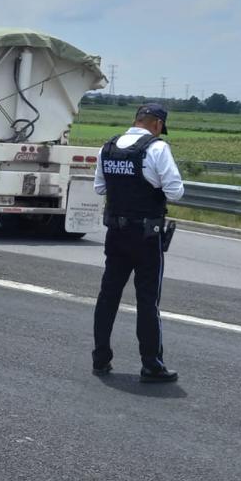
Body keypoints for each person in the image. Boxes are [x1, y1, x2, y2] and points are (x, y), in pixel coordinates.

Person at [92, 102, 184, 382]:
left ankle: (100, 358)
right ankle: (151, 364)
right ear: (157, 124)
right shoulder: (156, 148)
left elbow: (99, 187)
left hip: (116, 234)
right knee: (147, 301)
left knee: (108, 296)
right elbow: (175, 192)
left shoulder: (107, 147)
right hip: (146, 236)